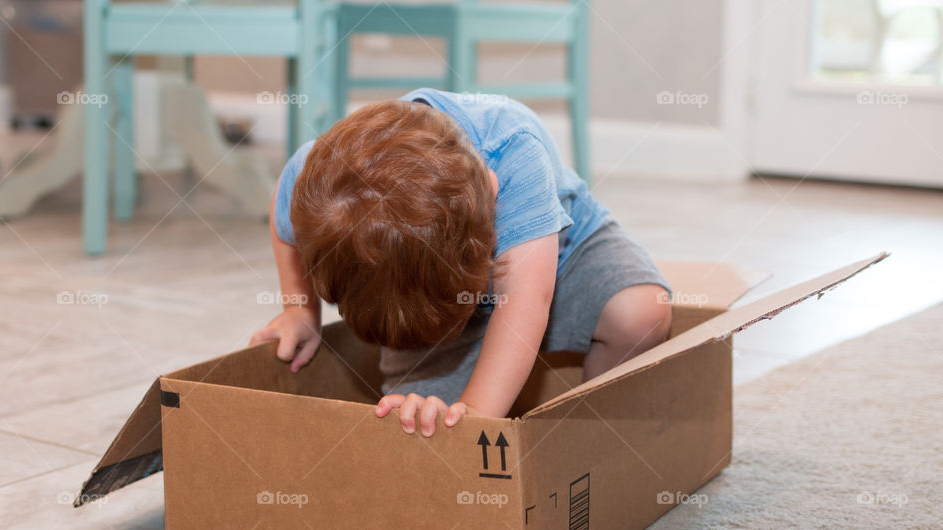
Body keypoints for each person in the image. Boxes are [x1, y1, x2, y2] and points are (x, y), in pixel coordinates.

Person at [250, 89, 672, 437]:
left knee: (640, 315)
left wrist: (476, 411)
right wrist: (300, 309)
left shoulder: (512, 150)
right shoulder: (317, 178)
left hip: (561, 256)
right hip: (433, 295)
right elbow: (281, 214)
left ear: (492, 193)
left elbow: (527, 299)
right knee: (419, 425)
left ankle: (588, 433)